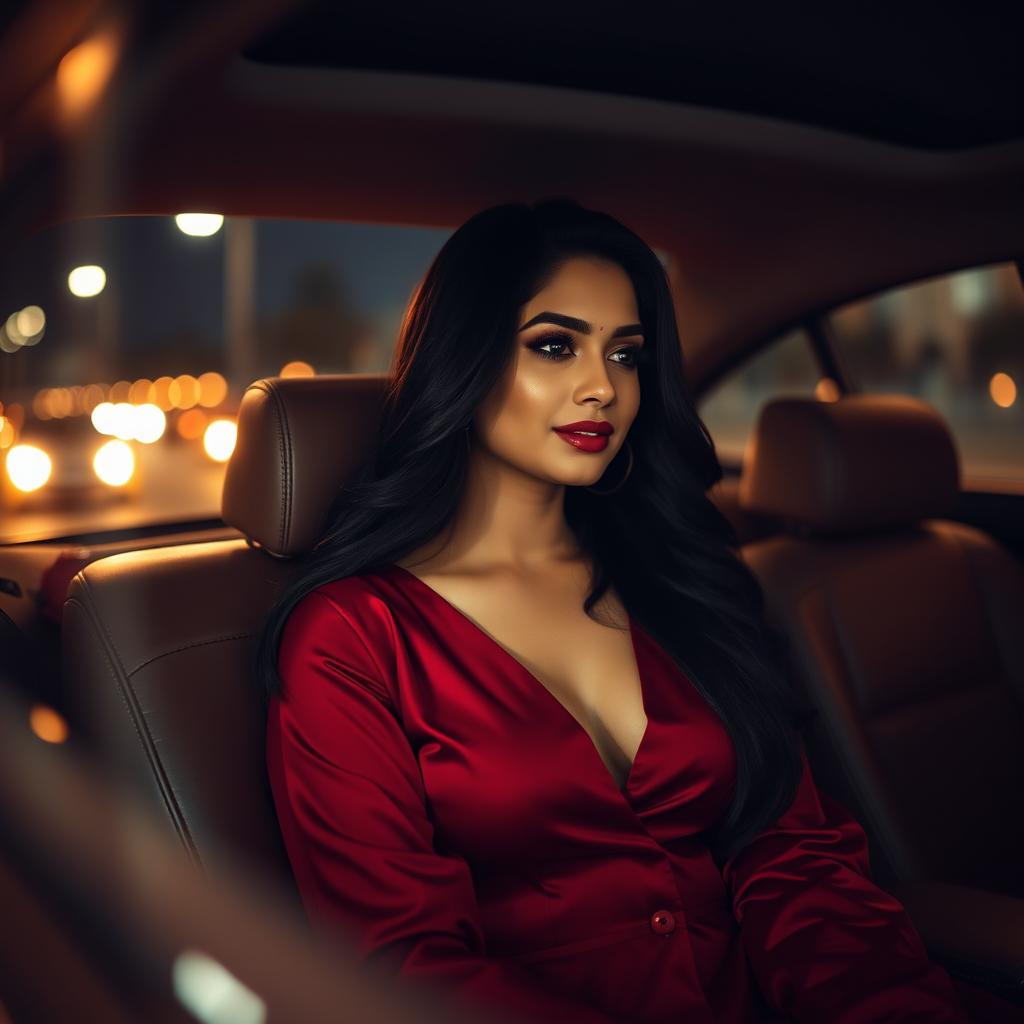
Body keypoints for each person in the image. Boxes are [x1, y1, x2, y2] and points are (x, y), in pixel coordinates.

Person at [260, 199, 1018, 1022]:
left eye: (626, 355)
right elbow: (402, 965)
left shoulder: (676, 580)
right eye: (555, 346)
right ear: (464, 359)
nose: (604, 388)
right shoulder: (352, 638)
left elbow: (789, 849)